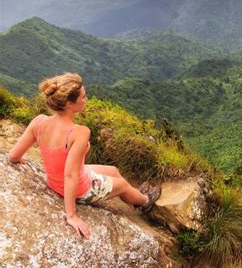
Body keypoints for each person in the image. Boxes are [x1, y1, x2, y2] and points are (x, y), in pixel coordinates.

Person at [8, 72, 161, 239]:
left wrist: (18, 160)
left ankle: (133, 195)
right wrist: (71, 215)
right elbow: (70, 175)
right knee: (122, 184)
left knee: (113, 170)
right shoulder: (78, 133)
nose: (86, 99)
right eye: (83, 96)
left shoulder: (39, 122)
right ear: (69, 103)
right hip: (80, 189)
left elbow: (13, 155)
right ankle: (145, 202)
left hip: (55, 181)